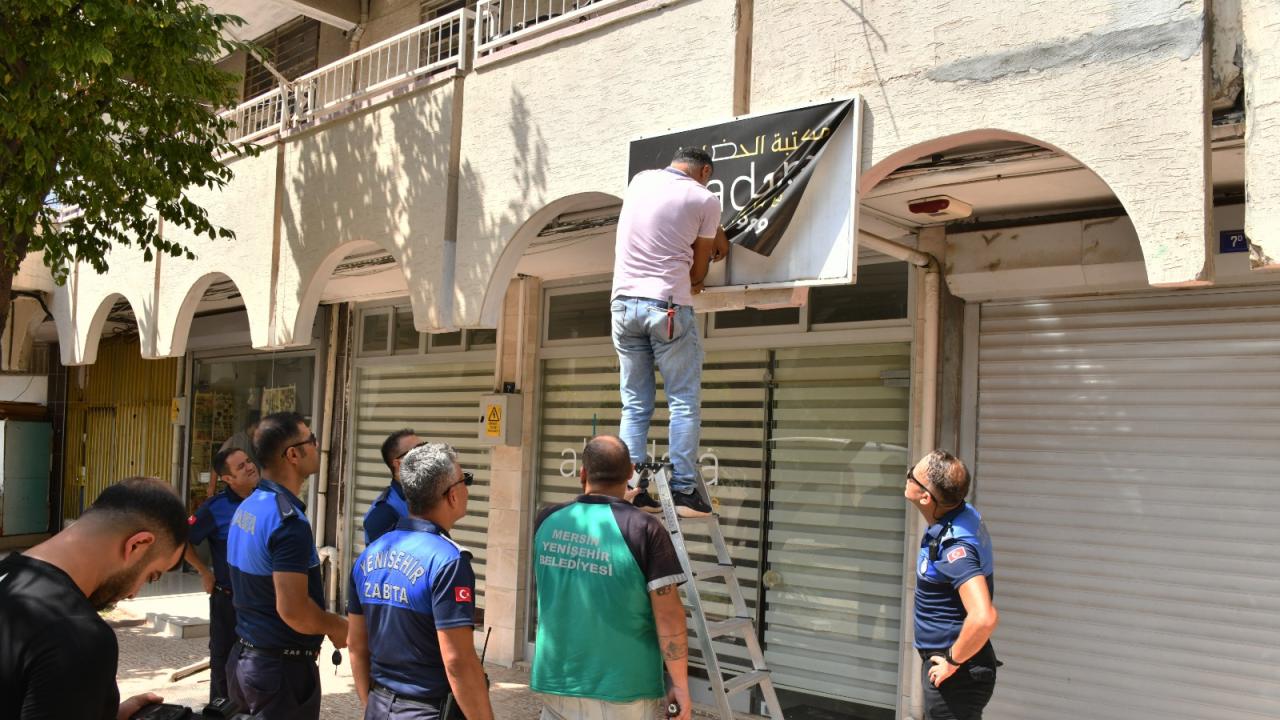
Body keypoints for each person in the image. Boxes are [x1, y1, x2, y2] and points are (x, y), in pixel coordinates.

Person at [0, 477, 189, 720]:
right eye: (151, 576)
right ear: (137, 545)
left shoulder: (8, 577)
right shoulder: (77, 634)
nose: (134, 593)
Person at [531, 435, 692, 720]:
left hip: (556, 684)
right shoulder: (644, 530)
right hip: (622, 692)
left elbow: (591, 520)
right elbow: (669, 616)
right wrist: (679, 685)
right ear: (631, 473)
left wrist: (619, 505)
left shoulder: (547, 520)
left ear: (582, 473)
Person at [611, 146, 729, 517]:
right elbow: (697, 270)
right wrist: (706, 260)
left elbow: (668, 218)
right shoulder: (705, 198)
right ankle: (682, 490)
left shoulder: (641, 180)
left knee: (635, 403)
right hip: (667, 305)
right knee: (682, 400)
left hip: (623, 305)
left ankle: (632, 488)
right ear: (705, 170)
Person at [347, 443, 494, 720]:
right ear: (452, 495)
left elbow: (356, 645)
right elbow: (458, 662)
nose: (467, 489)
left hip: (379, 706)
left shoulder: (370, 554)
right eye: (466, 481)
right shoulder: (449, 562)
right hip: (426, 710)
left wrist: (372, 705)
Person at [226, 412, 347, 719]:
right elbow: (293, 610)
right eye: (312, 440)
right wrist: (337, 626)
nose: (318, 446)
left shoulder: (249, 507)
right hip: (279, 673)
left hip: (246, 660)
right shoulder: (287, 522)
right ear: (293, 454)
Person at [905, 450, 999, 719]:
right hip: (959, 669)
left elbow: (984, 617)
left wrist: (952, 662)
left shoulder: (953, 546)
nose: (907, 476)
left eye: (912, 475)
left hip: (956, 675)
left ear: (925, 497)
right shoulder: (961, 513)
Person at [184, 447, 260, 704]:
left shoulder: (268, 501)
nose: (250, 467)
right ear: (227, 479)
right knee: (222, 662)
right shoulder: (215, 508)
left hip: (263, 601)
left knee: (261, 662)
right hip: (228, 600)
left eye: (249, 461)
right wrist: (204, 572)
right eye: (241, 466)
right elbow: (183, 540)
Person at [363, 428, 422, 545]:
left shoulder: (426, 496)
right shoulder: (382, 513)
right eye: (418, 452)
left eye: (426, 448)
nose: (427, 456)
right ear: (398, 464)